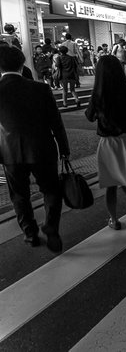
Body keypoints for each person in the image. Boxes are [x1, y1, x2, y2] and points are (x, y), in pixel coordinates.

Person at [0, 46, 70, 252]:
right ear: (22, 64)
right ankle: (51, 226)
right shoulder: (40, 89)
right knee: (51, 190)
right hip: (42, 149)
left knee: (19, 195)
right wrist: (64, 148)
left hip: (10, 152)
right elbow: (56, 122)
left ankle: (30, 233)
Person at [85, 55, 126, 235]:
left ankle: (114, 220)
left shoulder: (98, 95)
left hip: (109, 145)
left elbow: (89, 116)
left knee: (111, 186)